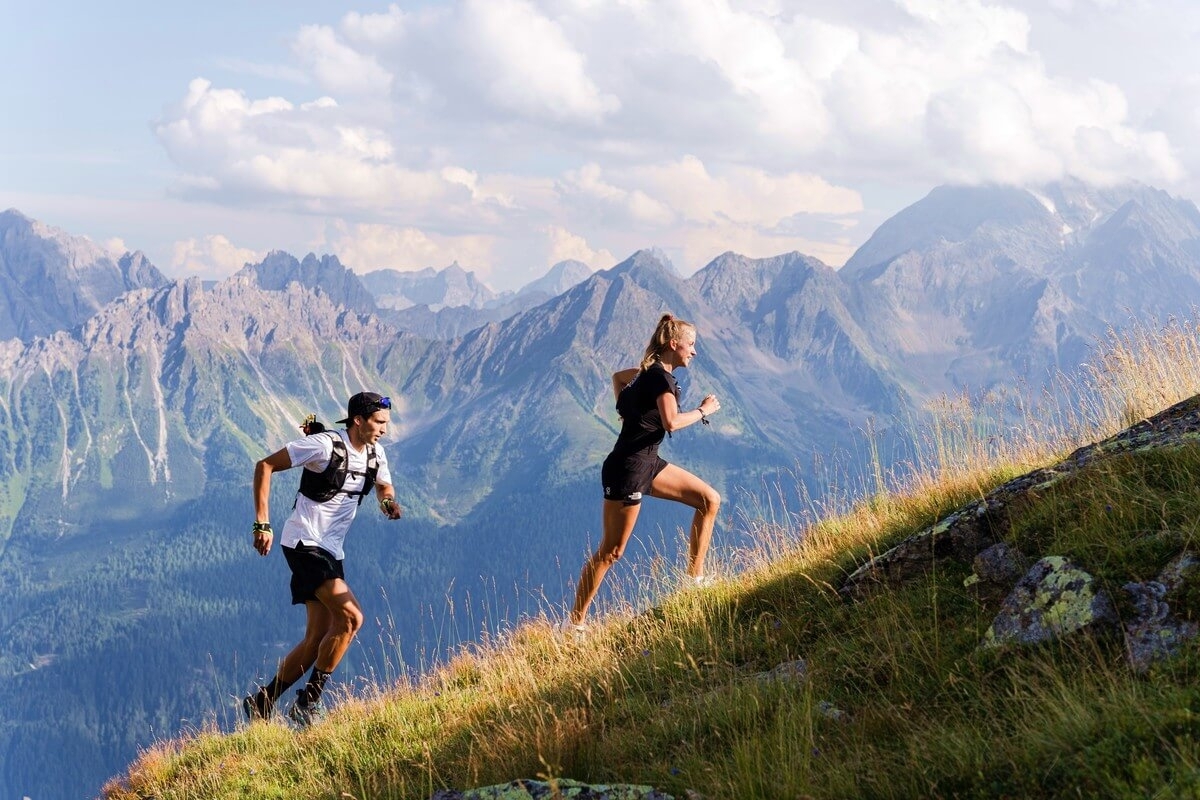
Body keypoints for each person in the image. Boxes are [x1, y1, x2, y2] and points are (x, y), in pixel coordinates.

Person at [243, 391, 403, 726]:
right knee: (351, 619)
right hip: (304, 543)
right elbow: (265, 465)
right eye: (379, 422)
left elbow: (383, 488)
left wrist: (387, 504)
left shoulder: (376, 454)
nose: (384, 429)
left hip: (331, 550)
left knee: (317, 639)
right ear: (358, 420)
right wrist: (262, 522)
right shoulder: (325, 445)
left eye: (386, 423)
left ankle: (262, 701)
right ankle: (309, 702)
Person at [562, 314, 722, 633]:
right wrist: (705, 411)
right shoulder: (661, 380)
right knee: (611, 551)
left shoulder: (649, 374)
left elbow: (618, 379)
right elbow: (671, 422)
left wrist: (630, 409)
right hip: (628, 470)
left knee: (709, 500)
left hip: (648, 463)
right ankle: (574, 626)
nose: (694, 351)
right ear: (674, 344)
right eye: (691, 345)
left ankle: (695, 579)